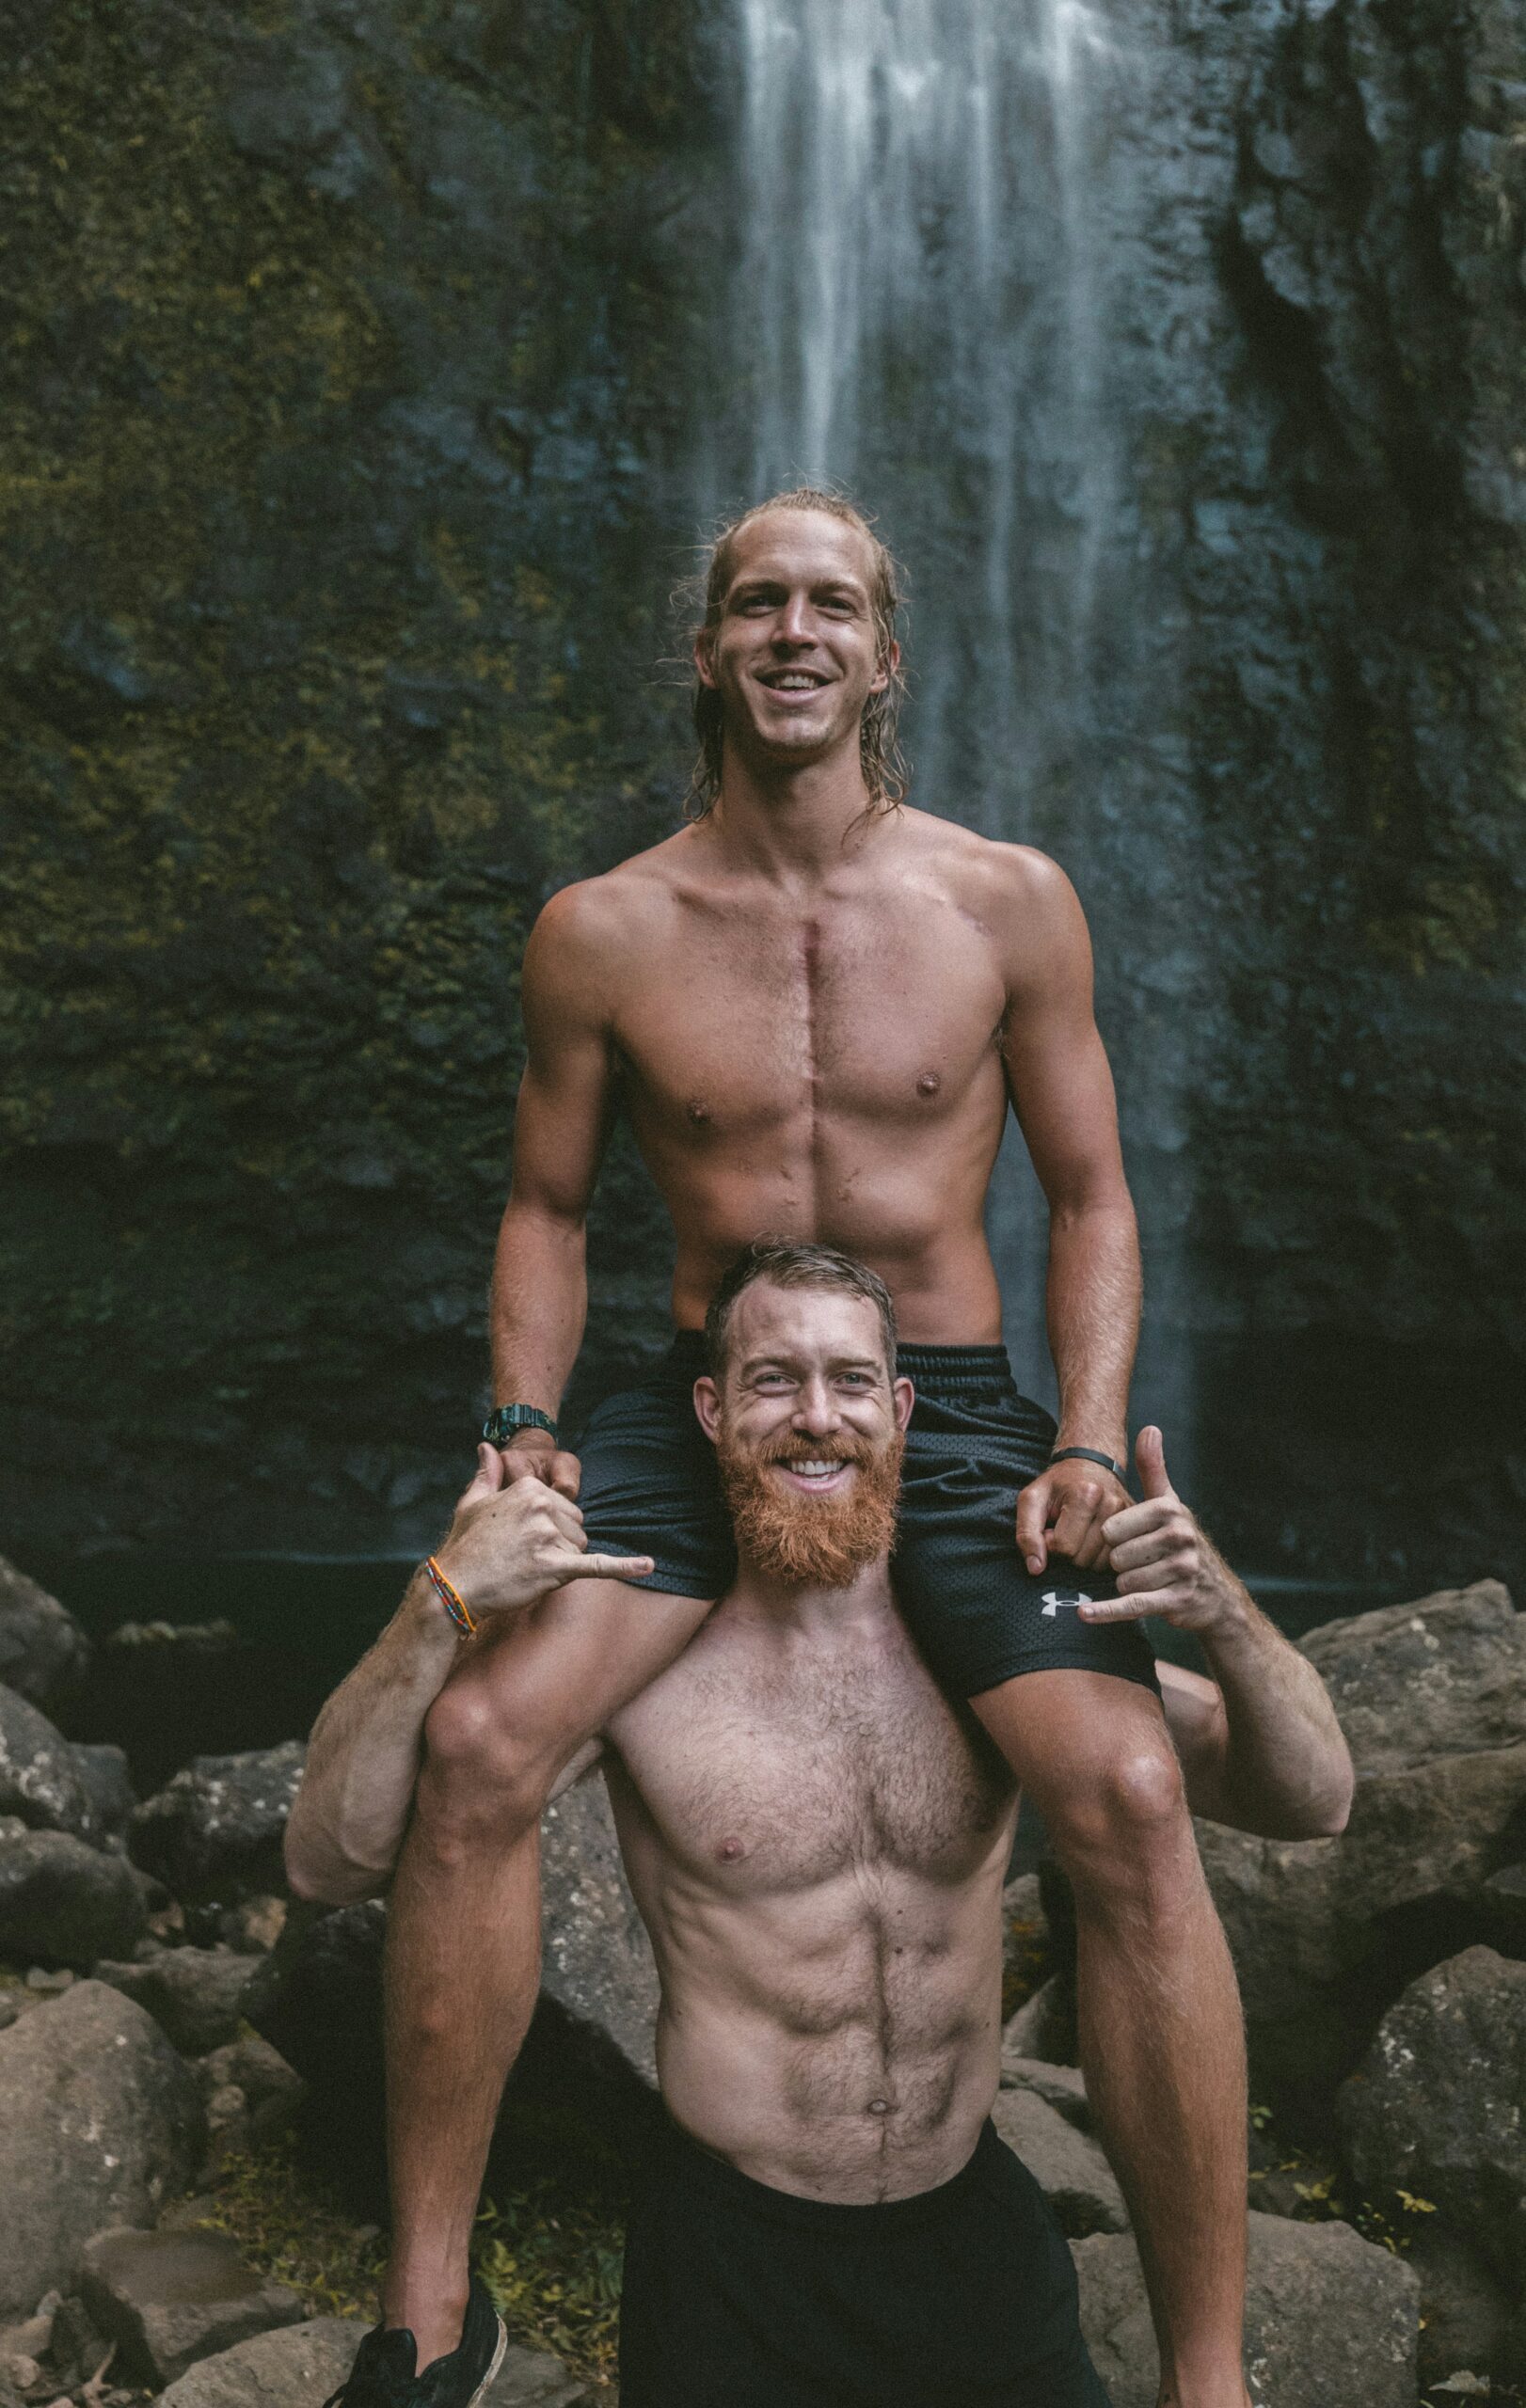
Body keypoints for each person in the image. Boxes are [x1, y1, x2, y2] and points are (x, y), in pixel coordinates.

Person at [368, 484, 1261, 2408]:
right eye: (759, 600)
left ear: (882, 652)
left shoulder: (1004, 900)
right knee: (473, 1739)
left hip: (940, 1414)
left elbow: (1094, 1197)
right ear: (705, 648)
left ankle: (1208, 2370)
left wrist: (1090, 1441)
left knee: (1120, 1789)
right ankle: (428, 2308)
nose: (795, 630)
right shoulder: (601, 927)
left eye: (831, 602)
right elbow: (542, 1204)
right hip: (697, 1397)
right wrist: (524, 1433)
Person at [288, 1244, 1355, 2408]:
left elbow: (1311, 1799)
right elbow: (329, 1856)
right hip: (733, 2266)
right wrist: (437, 1599)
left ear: (900, 1409)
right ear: (707, 1409)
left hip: (973, 2243)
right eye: (771, 1381)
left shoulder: (999, 1668)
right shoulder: (639, 1678)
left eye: (850, 1382)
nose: (815, 1420)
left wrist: (1228, 1618)